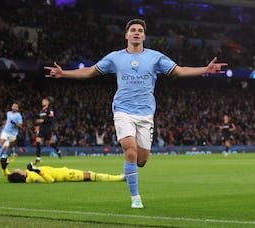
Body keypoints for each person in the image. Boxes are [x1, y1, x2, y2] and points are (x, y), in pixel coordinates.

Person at [44, 18, 227, 208]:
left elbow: (179, 71)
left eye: (140, 30)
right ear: (127, 35)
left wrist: (205, 69)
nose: (136, 32)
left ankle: (129, 172)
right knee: (130, 150)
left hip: (146, 114)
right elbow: (90, 71)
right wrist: (64, 73)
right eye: (133, 30)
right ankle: (135, 197)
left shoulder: (155, 57)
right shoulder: (115, 57)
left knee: (141, 160)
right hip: (123, 110)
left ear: (144, 36)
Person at [0, 158, 125, 183]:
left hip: (64, 171)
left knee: (90, 174)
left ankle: (120, 177)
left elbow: (8, 177)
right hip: (66, 175)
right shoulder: (32, 177)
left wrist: (4, 168)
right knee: (92, 175)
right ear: (19, 174)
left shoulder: (26, 174)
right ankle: (120, 178)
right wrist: (37, 170)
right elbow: (50, 180)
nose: (16, 169)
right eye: (16, 170)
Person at [0, 103, 23, 167]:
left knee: (11, 146)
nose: (14, 107)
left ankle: (12, 153)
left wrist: (15, 123)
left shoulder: (18, 116)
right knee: (0, 144)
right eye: (13, 106)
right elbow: (8, 120)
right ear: (12, 107)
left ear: (17, 108)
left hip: (13, 133)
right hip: (5, 131)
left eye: (16, 107)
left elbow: (20, 126)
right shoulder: (8, 113)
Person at [34, 96, 62, 164]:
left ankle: (58, 151)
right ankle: (38, 158)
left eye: (44, 101)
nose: (42, 102)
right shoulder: (42, 110)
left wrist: (42, 120)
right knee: (37, 141)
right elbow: (39, 119)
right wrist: (37, 125)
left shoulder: (50, 110)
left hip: (48, 128)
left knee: (49, 143)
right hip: (42, 128)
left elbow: (51, 119)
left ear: (48, 102)